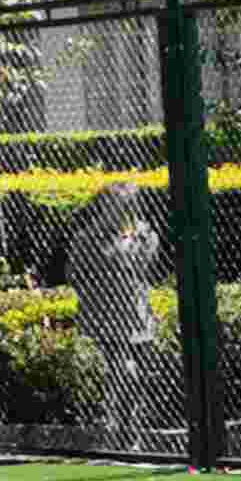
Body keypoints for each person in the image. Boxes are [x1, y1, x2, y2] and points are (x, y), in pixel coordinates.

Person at [58, 181, 161, 450]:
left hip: (137, 317)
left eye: (132, 205)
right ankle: (117, 430)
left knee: (138, 376)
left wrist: (139, 241)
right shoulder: (86, 239)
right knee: (124, 370)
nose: (127, 212)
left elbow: (146, 268)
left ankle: (130, 431)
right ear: (104, 207)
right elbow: (74, 275)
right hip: (104, 320)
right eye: (120, 206)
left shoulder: (143, 236)